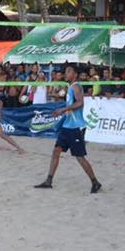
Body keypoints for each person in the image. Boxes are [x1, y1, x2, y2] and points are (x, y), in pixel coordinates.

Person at [34, 65, 102, 193]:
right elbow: (72, 103)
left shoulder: (76, 86)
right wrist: (61, 105)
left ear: (75, 74)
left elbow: (80, 102)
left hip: (75, 127)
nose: (66, 73)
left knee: (79, 156)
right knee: (56, 151)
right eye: (66, 71)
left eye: (69, 71)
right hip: (67, 125)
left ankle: (95, 182)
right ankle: (49, 180)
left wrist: (63, 109)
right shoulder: (70, 87)